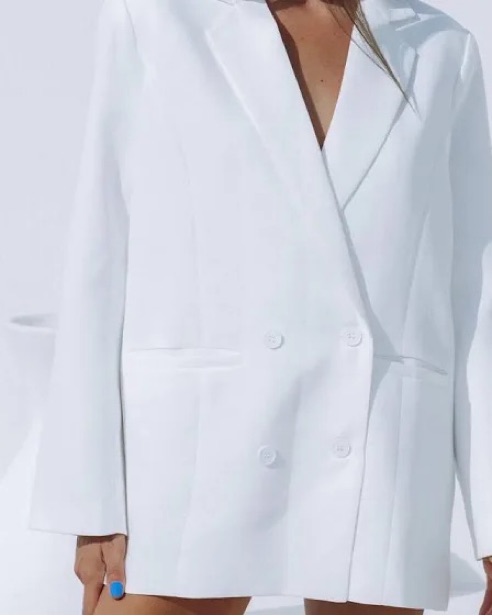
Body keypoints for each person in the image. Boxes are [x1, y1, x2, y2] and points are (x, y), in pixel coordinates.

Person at [27, 0, 492, 613]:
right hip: (193, 447)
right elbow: (100, 258)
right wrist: (90, 500)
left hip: (377, 441)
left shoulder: (439, 47)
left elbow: (474, 296)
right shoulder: (156, 21)